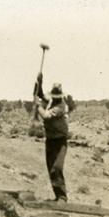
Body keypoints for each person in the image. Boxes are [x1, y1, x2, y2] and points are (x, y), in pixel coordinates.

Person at [35, 73, 69, 202]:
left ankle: (62, 197)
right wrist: (40, 83)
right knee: (51, 168)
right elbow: (41, 95)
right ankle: (57, 195)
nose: (54, 99)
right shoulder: (51, 101)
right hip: (50, 140)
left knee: (57, 167)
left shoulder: (61, 106)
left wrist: (38, 106)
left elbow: (46, 116)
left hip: (60, 141)